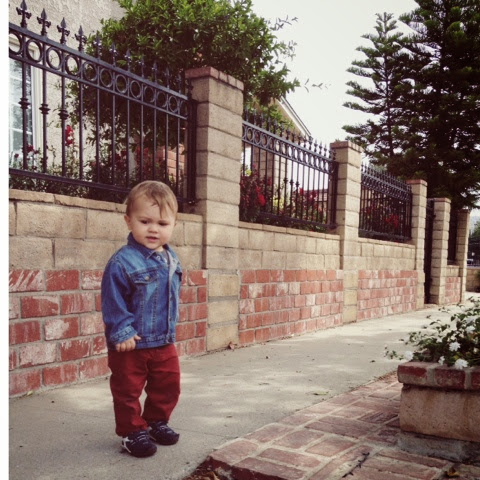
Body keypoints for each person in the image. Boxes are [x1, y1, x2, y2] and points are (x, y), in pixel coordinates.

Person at [101, 180, 182, 458]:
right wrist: (122, 330)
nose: (153, 229)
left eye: (162, 223)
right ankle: (131, 431)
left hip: (163, 340)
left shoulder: (171, 258)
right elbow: (112, 299)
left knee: (168, 385)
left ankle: (156, 421)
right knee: (127, 389)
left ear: (174, 225)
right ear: (128, 221)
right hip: (131, 343)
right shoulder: (122, 261)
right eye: (145, 221)